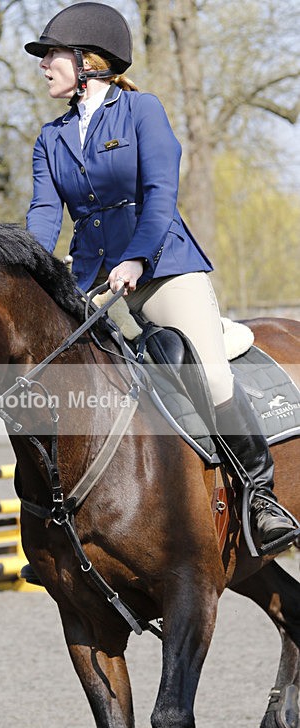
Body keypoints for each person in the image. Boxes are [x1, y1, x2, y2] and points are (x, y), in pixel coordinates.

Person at [24, 1, 299, 555]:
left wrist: (137, 259)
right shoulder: (51, 140)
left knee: (212, 377)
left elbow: (160, 196)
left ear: (87, 61)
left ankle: (262, 497)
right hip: (94, 279)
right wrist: (23, 268)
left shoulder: (141, 111)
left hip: (165, 268)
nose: (44, 66)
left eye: (51, 55)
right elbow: (43, 217)